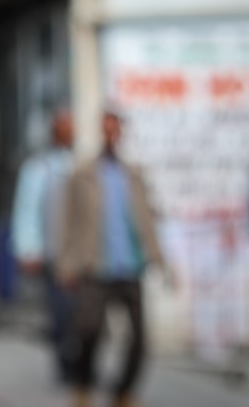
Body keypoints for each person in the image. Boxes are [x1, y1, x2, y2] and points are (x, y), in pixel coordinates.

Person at [58, 109, 168, 407]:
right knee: (90, 331)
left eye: (115, 129)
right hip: (96, 266)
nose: (111, 135)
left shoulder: (133, 174)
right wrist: (66, 263)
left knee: (140, 339)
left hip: (130, 265)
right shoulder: (82, 174)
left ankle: (123, 391)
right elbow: (69, 221)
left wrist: (160, 259)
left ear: (121, 132)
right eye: (106, 129)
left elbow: (146, 219)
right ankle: (83, 384)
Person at [11, 108, 75, 383]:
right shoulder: (38, 168)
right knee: (61, 313)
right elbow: (26, 211)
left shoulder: (80, 165)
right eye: (63, 128)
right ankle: (65, 366)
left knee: (83, 315)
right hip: (55, 255)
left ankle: (81, 364)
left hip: (83, 256)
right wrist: (29, 249)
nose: (67, 133)